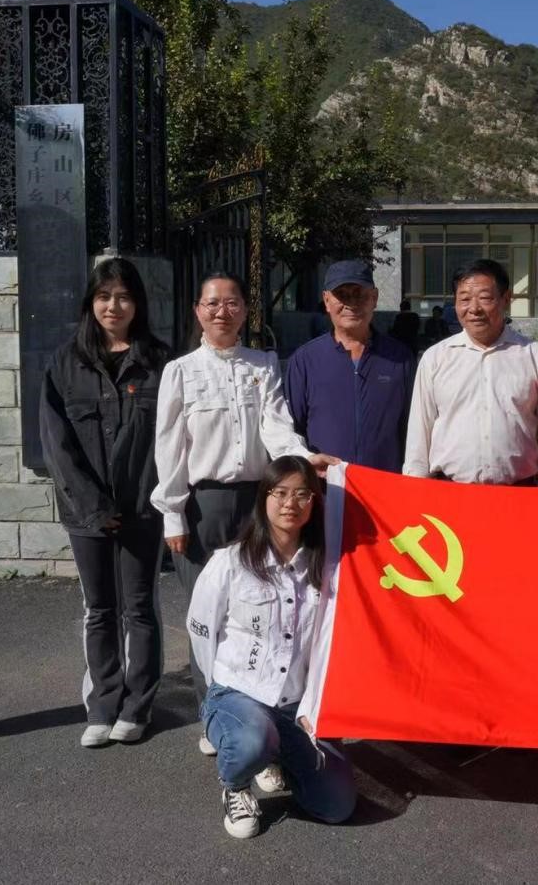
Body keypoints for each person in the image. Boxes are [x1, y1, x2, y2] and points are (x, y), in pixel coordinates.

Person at [152, 273, 338, 755]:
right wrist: (173, 513)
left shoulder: (263, 364)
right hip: (205, 506)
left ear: (244, 310)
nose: (222, 311)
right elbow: (170, 447)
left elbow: (276, 425)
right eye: (212, 303)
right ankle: (214, 715)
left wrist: (303, 458)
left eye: (232, 302)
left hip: (258, 501)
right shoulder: (180, 371)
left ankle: (268, 712)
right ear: (198, 310)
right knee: (209, 614)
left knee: (265, 610)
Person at [188, 456, 357, 839]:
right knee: (252, 739)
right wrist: (218, 691)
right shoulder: (231, 562)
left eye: (302, 494)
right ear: (263, 497)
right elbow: (201, 629)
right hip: (239, 695)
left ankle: (276, 753)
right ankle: (236, 783)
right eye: (280, 493)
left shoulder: (329, 568)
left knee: (337, 805)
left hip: (297, 707)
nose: (290, 503)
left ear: (315, 502)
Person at [39, 258, 171, 748]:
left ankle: (138, 707)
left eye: (123, 297)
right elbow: (56, 444)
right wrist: (95, 506)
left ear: (138, 304)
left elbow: (171, 439)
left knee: (139, 608)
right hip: (86, 512)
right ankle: (102, 704)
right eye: (103, 296)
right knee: (99, 609)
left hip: (142, 508)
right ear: (90, 303)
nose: (113, 306)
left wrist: (151, 497)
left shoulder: (159, 362)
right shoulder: (64, 363)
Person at [404, 259, 538, 486]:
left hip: (518, 493)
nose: (474, 309)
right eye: (464, 299)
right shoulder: (436, 358)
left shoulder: (535, 356)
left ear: (506, 299)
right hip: (450, 492)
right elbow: (420, 429)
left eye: (485, 298)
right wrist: (414, 486)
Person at [284, 260, 414, 472]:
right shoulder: (305, 360)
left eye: (359, 294)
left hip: (384, 484)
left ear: (374, 298)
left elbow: (412, 428)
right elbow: (290, 429)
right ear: (327, 300)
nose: (351, 303)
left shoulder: (400, 358)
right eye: (342, 295)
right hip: (326, 484)